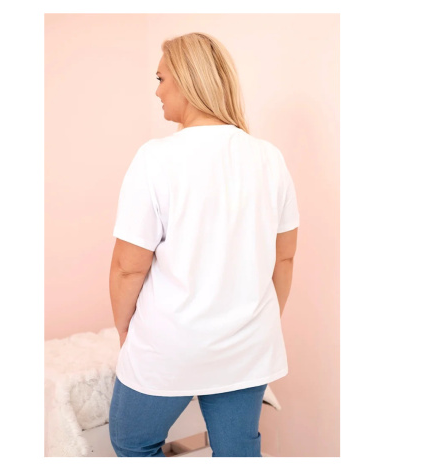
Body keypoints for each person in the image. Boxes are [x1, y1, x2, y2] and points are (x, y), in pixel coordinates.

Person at [108, 32, 300, 457]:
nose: (157, 91)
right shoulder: (269, 158)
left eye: (160, 79)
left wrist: (125, 330)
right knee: (236, 452)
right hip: (247, 346)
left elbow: (128, 267)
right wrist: (257, 323)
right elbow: (284, 257)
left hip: (170, 345)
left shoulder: (156, 158)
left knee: (131, 442)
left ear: (186, 80)